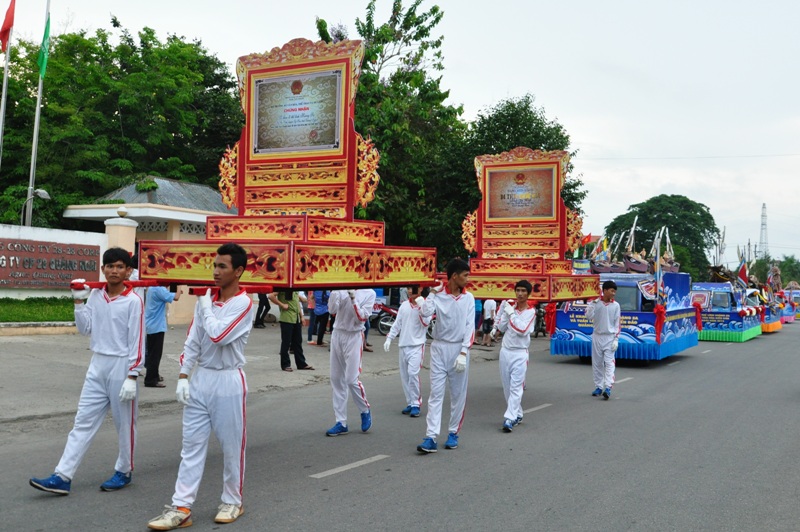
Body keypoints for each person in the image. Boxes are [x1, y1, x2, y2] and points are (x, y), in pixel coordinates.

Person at [146, 243, 254, 529]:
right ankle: (181, 507)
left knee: (232, 447)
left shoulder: (244, 303)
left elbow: (218, 335)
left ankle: (233, 501)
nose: (216, 272)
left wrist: (205, 306)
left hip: (229, 379)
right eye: (214, 265)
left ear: (239, 271)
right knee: (191, 446)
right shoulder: (207, 301)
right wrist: (183, 375)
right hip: (201, 379)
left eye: (222, 266)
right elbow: (194, 340)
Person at [30, 247, 144, 495]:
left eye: (119, 266)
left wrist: (133, 375)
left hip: (122, 365)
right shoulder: (96, 295)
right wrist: (78, 301)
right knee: (82, 422)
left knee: (125, 424)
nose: (114, 270)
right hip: (97, 363)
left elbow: (137, 340)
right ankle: (63, 475)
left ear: (129, 270)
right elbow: (85, 329)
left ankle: (124, 471)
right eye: (110, 266)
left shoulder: (134, 301)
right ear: (103, 269)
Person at [416, 259, 475, 453]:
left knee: (458, 395)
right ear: (454, 276)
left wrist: (464, 351)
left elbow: (470, 327)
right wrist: (432, 292)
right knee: (436, 394)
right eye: (465, 275)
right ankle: (431, 436)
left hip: (459, 349)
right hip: (439, 348)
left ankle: (453, 433)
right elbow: (425, 314)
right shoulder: (439, 296)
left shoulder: (469, 298)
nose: (468, 279)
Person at [325, 288, 376, 436]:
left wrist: (353, 298)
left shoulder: (369, 293)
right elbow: (332, 310)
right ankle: (341, 422)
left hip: (354, 336)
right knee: (336, 378)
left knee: (351, 379)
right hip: (338, 334)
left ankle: (365, 410)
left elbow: (361, 318)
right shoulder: (341, 288)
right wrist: (335, 291)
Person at [493, 281, 537, 432]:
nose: (519, 293)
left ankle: (509, 418)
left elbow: (522, 330)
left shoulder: (531, 312)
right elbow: (501, 327)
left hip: (520, 353)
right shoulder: (511, 308)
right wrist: (506, 313)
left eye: (523, 291)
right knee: (507, 386)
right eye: (517, 290)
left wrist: (511, 313)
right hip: (505, 351)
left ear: (528, 293)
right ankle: (517, 413)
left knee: (516, 387)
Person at [384, 286, 431, 418]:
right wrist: (389, 338)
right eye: (409, 288)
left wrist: (422, 307)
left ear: (421, 288)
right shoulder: (404, 305)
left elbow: (426, 323)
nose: (410, 291)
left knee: (412, 374)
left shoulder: (426, 305)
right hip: (403, 345)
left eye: (414, 288)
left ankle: (416, 403)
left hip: (417, 345)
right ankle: (410, 402)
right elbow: (397, 323)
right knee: (405, 376)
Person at [585, 280, 621, 400]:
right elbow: (588, 316)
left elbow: (617, 323)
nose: (613, 293)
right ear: (604, 290)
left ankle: (608, 387)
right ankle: (599, 387)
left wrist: (616, 339)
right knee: (597, 363)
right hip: (597, 336)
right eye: (612, 291)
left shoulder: (616, 305)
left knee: (609, 362)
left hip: (609, 337)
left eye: (614, 291)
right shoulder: (596, 303)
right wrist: (591, 305)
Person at [144, 285, 182, 388]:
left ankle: (154, 375)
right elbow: (176, 297)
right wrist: (179, 286)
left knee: (153, 353)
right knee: (154, 355)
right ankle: (150, 380)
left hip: (152, 325)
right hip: (156, 326)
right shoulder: (159, 289)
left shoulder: (153, 288)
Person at [268, 290, 314, 372]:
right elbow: (270, 296)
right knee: (286, 342)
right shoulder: (282, 287)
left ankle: (301, 363)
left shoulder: (294, 288)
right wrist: (282, 305)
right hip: (286, 318)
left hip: (296, 318)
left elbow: (297, 303)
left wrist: (302, 316)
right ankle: (285, 364)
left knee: (298, 341)